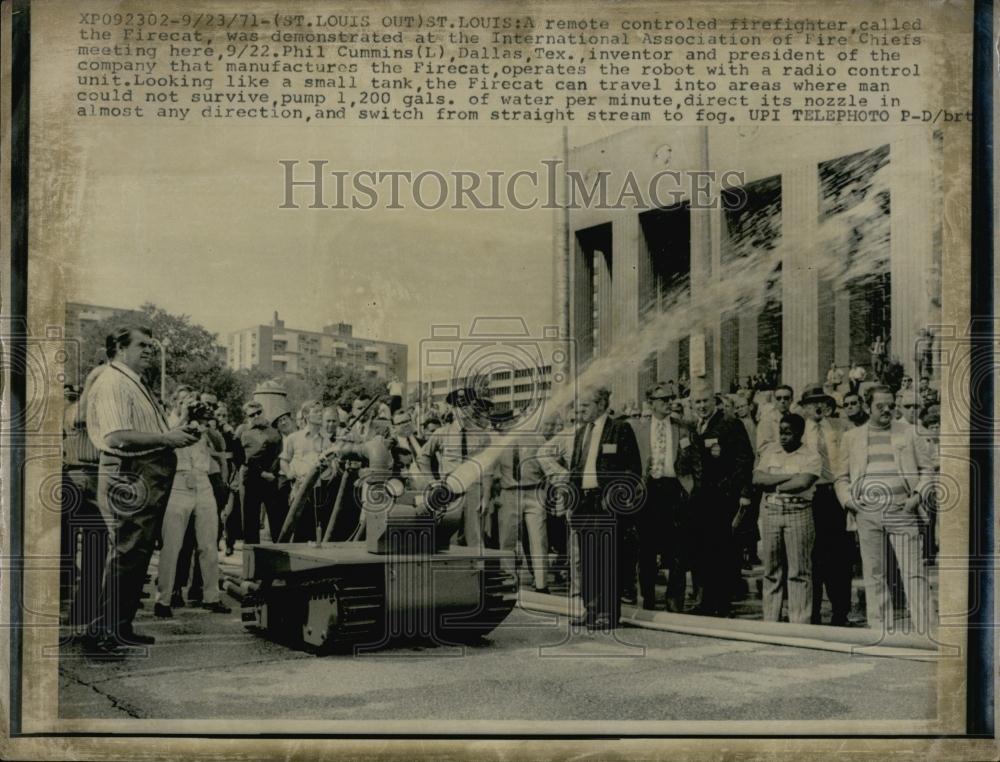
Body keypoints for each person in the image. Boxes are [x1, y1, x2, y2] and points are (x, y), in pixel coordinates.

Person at [84, 326, 199, 655]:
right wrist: (167, 439)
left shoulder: (131, 381)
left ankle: (119, 627)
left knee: (136, 554)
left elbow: (150, 432)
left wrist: (177, 431)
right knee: (127, 552)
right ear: (120, 348)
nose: (149, 350)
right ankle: (104, 632)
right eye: (142, 345)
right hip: (130, 474)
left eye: (150, 345)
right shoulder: (113, 381)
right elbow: (116, 436)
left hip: (143, 474)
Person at [835, 385, 933, 631]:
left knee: (913, 572)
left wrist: (916, 498)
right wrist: (850, 502)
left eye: (891, 405)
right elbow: (841, 477)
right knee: (874, 573)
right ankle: (880, 629)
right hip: (867, 513)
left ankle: (927, 630)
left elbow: (928, 470)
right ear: (868, 407)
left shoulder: (909, 432)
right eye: (880, 406)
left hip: (902, 510)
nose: (887, 410)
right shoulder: (852, 438)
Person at [568, 386, 642, 630]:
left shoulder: (619, 429)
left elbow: (632, 470)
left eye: (585, 406)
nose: (580, 411)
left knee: (608, 559)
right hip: (584, 503)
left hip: (606, 503)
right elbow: (574, 469)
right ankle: (590, 609)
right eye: (579, 407)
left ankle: (608, 613)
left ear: (600, 405)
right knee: (588, 560)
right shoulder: (581, 433)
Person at [155, 400, 230, 618]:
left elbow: (222, 445)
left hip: (202, 480)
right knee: (172, 544)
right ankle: (163, 599)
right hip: (179, 480)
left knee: (208, 544)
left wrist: (210, 425)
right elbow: (166, 440)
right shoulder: (173, 424)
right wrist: (185, 419)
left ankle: (211, 596)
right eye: (202, 420)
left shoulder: (207, 431)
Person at [630, 383, 701, 612]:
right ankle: (648, 597)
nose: (669, 403)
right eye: (663, 400)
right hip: (648, 490)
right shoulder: (637, 428)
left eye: (671, 399)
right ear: (651, 403)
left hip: (675, 490)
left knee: (679, 548)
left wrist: (693, 487)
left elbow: (695, 461)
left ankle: (674, 598)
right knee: (647, 549)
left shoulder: (684, 427)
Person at [690, 378, 754, 617]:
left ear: (714, 400)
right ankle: (705, 601)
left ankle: (721, 603)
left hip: (722, 499)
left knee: (723, 551)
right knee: (703, 550)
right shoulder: (692, 426)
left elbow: (743, 460)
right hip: (700, 500)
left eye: (705, 400)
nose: (702, 405)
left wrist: (738, 492)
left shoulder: (729, 423)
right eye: (697, 401)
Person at [753, 413, 822, 623]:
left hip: (798, 513)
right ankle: (771, 620)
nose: (783, 437)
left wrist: (772, 484)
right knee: (772, 570)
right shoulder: (771, 452)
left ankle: (799, 622)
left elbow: (802, 483)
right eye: (781, 432)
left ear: (800, 434)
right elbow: (757, 479)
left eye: (788, 433)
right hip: (771, 512)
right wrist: (788, 477)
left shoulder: (811, 456)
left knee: (799, 570)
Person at [799, 383, 852, 627]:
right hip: (810, 494)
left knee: (839, 557)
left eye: (822, 402)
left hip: (836, 495)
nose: (817, 406)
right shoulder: (799, 431)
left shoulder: (841, 427)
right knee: (812, 556)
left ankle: (841, 612)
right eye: (811, 403)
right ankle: (813, 612)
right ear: (804, 408)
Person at [418, 387, 494, 550]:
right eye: (460, 406)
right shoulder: (442, 433)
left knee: (475, 536)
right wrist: (432, 482)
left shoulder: (482, 435)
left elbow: (487, 469)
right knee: (449, 535)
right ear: (453, 408)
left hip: (474, 490)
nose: (464, 410)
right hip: (450, 491)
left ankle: (477, 573)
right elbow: (423, 456)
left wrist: (486, 496)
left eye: (468, 405)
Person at [494, 429, 550, 593]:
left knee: (539, 539)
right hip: (509, 492)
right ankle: (509, 581)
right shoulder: (498, 441)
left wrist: (545, 491)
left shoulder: (537, 437)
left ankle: (541, 584)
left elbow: (547, 463)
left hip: (534, 492)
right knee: (507, 540)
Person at [237, 401, 284, 543]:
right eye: (252, 415)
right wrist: (261, 473)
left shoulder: (274, 431)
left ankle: (279, 554)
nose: (256, 416)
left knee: (276, 519)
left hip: (271, 479)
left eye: (259, 412)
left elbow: (280, 454)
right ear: (246, 417)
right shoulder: (242, 431)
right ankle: (252, 558)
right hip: (251, 479)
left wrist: (273, 474)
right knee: (250, 521)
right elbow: (240, 457)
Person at [756, 385, 793, 452]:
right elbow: (762, 447)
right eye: (779, 398)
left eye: (786, 398)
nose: (782, 401)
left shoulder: (795, 419)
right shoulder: (767, 420)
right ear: (775, 400)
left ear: (791, 400)